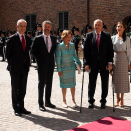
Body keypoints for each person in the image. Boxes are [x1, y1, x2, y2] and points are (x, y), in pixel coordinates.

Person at [84, 19, 114, 109]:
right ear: (94, 26)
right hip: (93, 64)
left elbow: (110, 50)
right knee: (92, 83)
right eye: (96, 25)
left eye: (99, 25)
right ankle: (91, 101)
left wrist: (110, 63)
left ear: (102, 26)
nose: (97, 26)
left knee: (105, 83)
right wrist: (86, 63)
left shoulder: (107, 35)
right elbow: (86, 51)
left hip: (104, 64)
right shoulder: (89, 35)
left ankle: (103, 101)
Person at [6, 19, 32, 116]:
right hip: (15, 68)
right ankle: (16, 108)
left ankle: (21, 106)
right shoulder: (12, 39)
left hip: (25, 68)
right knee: (15, 88)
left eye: (24, 26)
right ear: (17, 27)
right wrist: (12, 64)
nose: (23, 27)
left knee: (23, 89)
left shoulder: (28, 39)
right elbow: (7, 54)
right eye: (21, 25)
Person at [31, 20, 57, 111]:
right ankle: (41, 103)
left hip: (50, 65)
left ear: (51, 28)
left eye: (48, 26)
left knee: (49, 83)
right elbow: (32, 52)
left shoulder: (54, 39)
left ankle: (48, 101)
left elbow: (54, 51)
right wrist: (39, 59)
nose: (47, 28)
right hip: (41, 65)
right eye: (45, 26)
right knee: (41, 84)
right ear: (42, 27)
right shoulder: (37, 39)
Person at [56, 30, 81, 108]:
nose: (69, 38)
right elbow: (58, 59)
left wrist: (79, 62)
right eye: (67, 37)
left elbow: (74, 56)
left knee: (72, 85)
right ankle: (64, 101)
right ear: (63, 37)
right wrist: (59, 70)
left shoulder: (72, 45)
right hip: (63, 69)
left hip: (71, 69)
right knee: (64, 86)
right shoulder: (59, 46)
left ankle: (73, 100)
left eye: (70, 37)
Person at [111, 22, 131, 107]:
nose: (119, 28)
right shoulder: (112, 38)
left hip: (123, 58)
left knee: (123, 80)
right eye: (118, 26)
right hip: (115, 59)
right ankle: (117, 98)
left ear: (123, 28)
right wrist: (110, 63)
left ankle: (122, 98)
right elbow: (110, 51)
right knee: (116, 80)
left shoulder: (127, 38)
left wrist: (129, 62)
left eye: (121, 27)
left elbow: (129, 51)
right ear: (116, 28)